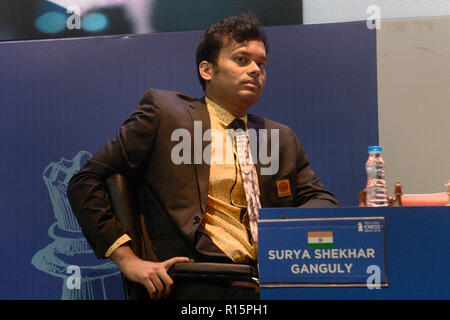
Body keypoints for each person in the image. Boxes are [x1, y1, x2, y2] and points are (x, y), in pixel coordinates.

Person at [67, 13, 339, 300]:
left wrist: (286, 236)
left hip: (270, 278)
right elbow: (85, 181)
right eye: (242, 59)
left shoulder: (280, 137)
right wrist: (127, 260)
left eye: (262, 64)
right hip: (198, 281)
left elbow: (323, 201)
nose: (256, 70)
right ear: (207, 70)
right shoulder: (166, 115)